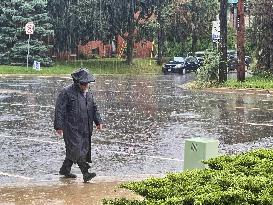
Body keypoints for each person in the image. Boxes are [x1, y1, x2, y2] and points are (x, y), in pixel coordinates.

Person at [54, 68, 103, 182]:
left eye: (87, 83)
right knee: (77, 150)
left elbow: (94, 108)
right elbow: (59, 110)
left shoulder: (88, 93)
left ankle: (65, 170)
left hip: (85, 127)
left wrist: (98, 121)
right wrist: (59, 126)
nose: (86, 86)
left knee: (78, 149)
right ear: (77, 82)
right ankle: (86, 173)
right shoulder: (66, 92)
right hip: (71, 127)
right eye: (83, 83)